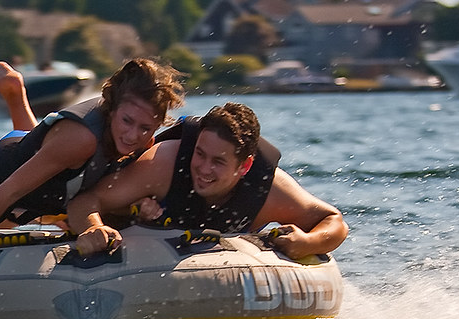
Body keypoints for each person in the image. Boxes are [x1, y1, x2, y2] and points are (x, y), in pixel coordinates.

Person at [0, 57, 186, 266]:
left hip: (40, 150)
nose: (133, 135)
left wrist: (143, 205)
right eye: (127, 121)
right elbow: (11, 189)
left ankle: (14, 91)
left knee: (46, 171)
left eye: (145, 128)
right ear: (111, 108)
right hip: (3, 169)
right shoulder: (80, 141)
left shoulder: (140, 139)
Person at [68, 102, 348, 260]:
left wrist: (309, 242)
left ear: (245, 166)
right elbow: (85, 201)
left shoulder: (268, 190)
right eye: (200, 154)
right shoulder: (162, 164)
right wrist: (94, 227)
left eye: (218, 162)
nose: (202, 168)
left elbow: (333, 220)